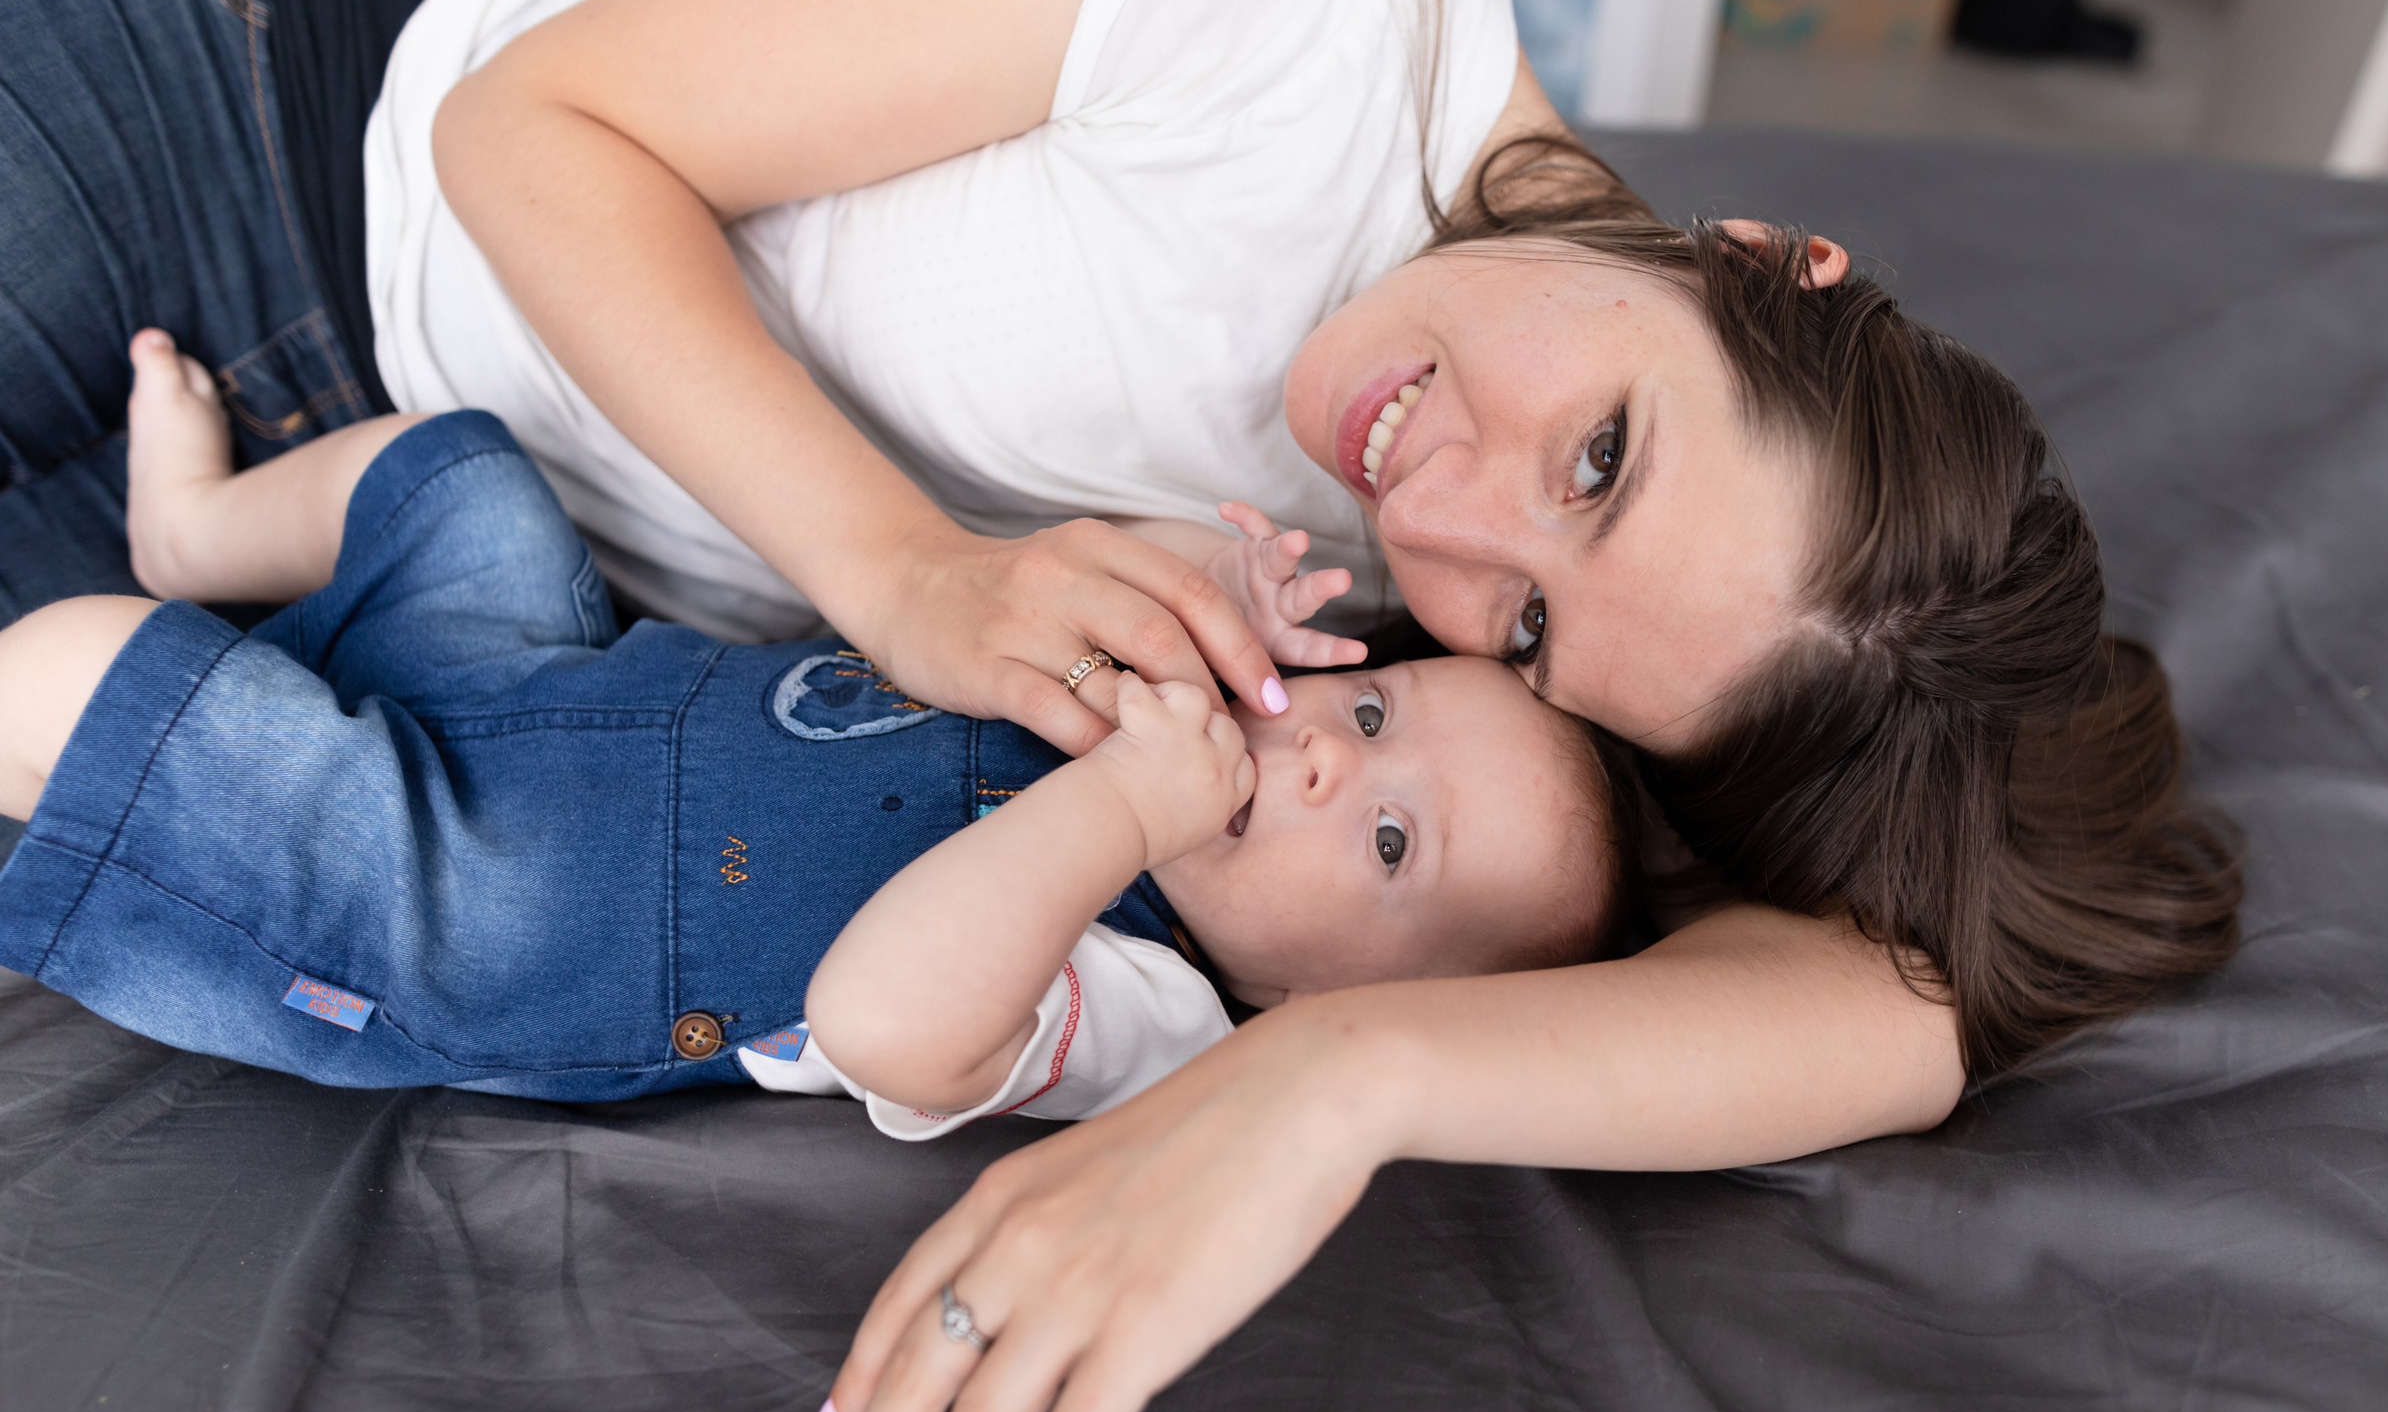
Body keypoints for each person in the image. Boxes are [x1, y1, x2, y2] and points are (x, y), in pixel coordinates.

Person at [0, 0, 2240, 1412]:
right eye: (1599, 456)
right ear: (1764, 252)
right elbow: (528, 129)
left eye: (1533, 627)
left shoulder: (1409, 672)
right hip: (265, 115)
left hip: (374, 515)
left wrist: (1329, 1088)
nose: (1439, 517)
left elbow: (1910, 1000)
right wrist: (903, 575)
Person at [0, 337, 1633, 1128]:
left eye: (1391, 841)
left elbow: (891, 1015)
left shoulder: (1156, 1006)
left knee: (73, 677)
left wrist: (1128, 816)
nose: (1336, 759)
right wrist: (1215, 592)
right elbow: (1052, 573)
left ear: (1318, 1011)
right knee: (463, 469)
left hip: (462, 909)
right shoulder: (1170, 718)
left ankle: (169, 653)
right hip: (552, 685)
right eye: (1374, 704)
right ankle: (201, 536)